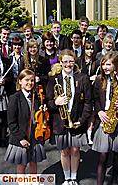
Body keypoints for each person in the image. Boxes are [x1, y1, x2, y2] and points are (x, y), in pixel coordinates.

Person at [46, 49, 92, 185]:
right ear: (60, 62)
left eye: (71, 61)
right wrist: (55, 102)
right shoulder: (54, 79)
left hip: (76, 121)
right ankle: (67, 178)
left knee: (76, 150)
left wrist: (82, 120)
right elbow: (48, 102)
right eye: (65, 61)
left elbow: (88, 102)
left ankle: (74, 177)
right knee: (65, 151)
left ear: (74, 62)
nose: (68, 64)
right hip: (60, 122)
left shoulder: (82, 78)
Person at [92, 52, 118, 185]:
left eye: (108, 64)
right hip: (105, 118)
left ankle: (114, 180)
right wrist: (99, 112)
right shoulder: (99, 80)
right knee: (103, 156)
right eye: (103, 64)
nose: (105, 67)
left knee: (117, 153)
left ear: (116, 65)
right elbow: (95, 99)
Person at [4, 69, 46, 173]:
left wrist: (43, 111)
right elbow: (11, 123)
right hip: (21, 136)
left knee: (33, 162)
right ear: (20, 81)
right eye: (26, 80)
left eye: (32, 81)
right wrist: (21, 138)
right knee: (22, 165)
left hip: (34, 135)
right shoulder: (14, 98)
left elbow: (37, 117)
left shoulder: (36, 97)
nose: (30, 83)